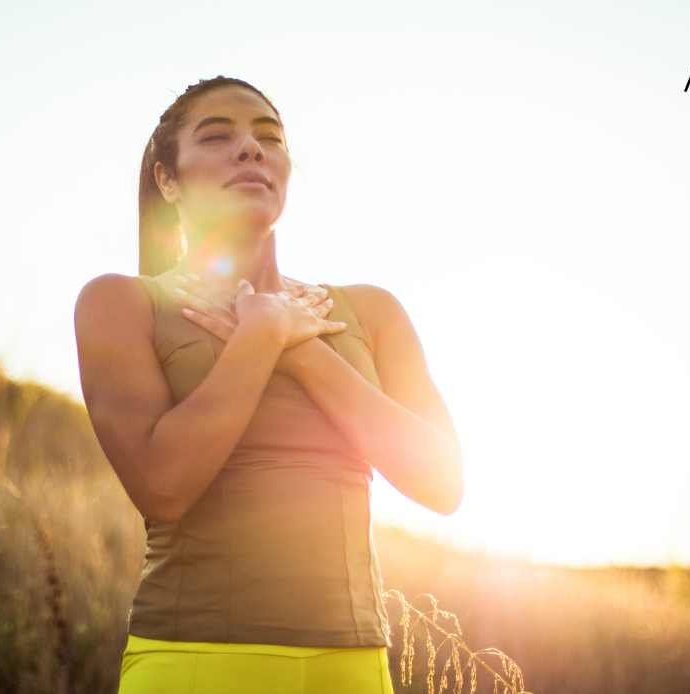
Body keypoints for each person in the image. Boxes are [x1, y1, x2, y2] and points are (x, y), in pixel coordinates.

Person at [73, 75, 464, 694]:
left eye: (268, 137)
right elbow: (163, 484)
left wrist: (297, 348)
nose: (251, 149)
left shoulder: (370, 311)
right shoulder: (121, 303)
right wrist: (258, 340)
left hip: (355, 670)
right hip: (195, 663)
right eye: (218, 136)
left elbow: (443, 483)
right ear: (167, 179)